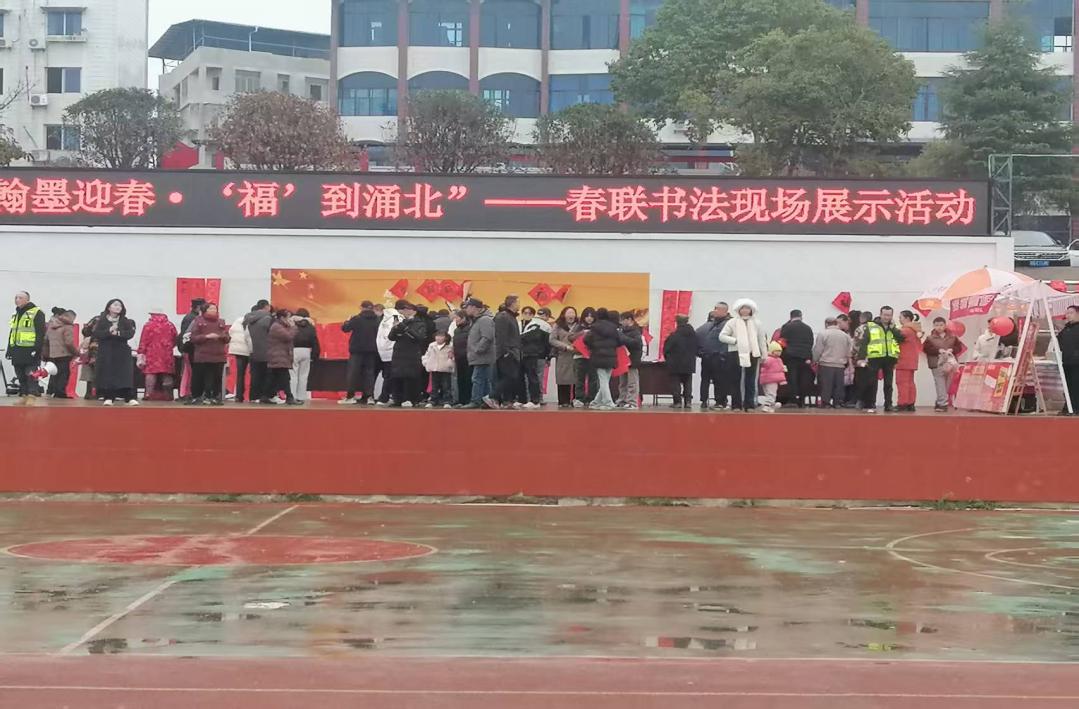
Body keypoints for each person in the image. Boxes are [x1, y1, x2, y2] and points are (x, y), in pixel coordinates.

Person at [719, 299, 768, 413]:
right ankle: (736, 405)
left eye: (747, 308)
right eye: (743, 308)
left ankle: (749, 405)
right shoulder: (732, 322)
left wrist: (764, 354)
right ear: (739, 310)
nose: (745, 310)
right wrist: (735, 341)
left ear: (751, 310)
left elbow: (761, 339)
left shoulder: (757, 323)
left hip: (752, 353)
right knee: (735, 379)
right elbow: (722, 336)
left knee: (750, 380)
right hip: (736, 352)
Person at [853, 306, 904, 414]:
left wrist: (893, 329)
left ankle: (888, 405)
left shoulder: (893, 327)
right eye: (885, 315)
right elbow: (864, 343)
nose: (887, 317)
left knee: (888, 384)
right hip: (874, 357)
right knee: (872, 383)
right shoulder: (872, 326)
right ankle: (871, 404)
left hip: (889, 358)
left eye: (889, 315)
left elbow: (900, 339)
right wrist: (861, 358)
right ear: (880, 314)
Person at [92, 299, 138, 405]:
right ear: (109, 307)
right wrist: (108, 331)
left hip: (122, 352)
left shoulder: (125, 321)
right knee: (108, 374)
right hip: (106, 351)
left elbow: (130, 333)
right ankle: (108, 397)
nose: (118, 307)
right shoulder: (102, 320)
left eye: (120, 306)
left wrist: (118, 333)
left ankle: (129, 397)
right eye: (115, 305)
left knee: (124, 375)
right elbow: (96, 333)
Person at [6, 291, 46, 405]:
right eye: (16, 297)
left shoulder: (36, 312)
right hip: (17, 349)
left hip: (30, 349)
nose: (17, 300)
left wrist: (37, 348)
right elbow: (13, 332)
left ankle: (32, 395)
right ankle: (24, 395)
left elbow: (40, 332)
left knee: (31, 373)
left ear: (27, 300)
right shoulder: (16, 314)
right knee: (20, 373)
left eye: (20, 298)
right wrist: (9, 349)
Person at [386, 300, 427, 407]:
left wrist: (405, 329)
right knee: (397, 376)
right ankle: (397, 399)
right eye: (403, 309)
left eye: (406, 309)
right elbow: (391, 337)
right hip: (399, 353)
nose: (404, 311)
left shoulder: (420, 323)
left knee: (410, 377)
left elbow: (419, 338)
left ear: (413, 311)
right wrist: (395, 328)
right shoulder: (401, 322)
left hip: (411, 354)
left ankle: (409, 398)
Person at [189, 302, 231, 405]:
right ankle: (199, 396)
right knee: (201, 377)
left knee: (217, 377)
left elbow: (227, 337)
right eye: (211, 309)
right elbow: (193, 338)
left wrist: (222, 336)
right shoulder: (198, 321)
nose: (213, 311)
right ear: (205, 310)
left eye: (215, 309)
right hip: (203, 355)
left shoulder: (221, 322)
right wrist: (206, 337)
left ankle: (215, 396)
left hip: (219, 355)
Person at [341, 301, 381, 405]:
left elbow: (345, 329)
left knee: (353, 374)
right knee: (369, 374)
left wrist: (347, 321)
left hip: (357, 350)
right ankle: (369, 397)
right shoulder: (377, 320)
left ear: (361, 307)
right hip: (372, 350)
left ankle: (350, 396)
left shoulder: (357, 318)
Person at [583, 307, 623, 411]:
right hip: (611, 357)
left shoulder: (594, 327)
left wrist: (592, 346)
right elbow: (620, 341)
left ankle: (608, 403)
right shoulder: (613, 327)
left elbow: (586, 339)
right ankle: (596, 402)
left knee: (603, 381)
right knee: (605, 381)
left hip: (598, 356)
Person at [487, 295, 523, 409]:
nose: (519, 305)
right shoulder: (503, 317)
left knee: (510, 377)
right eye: (518, 302)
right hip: (507, 352)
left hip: (513, 351)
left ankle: (507, 401)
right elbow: (501, 336)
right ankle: (492, 396)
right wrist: (505, 351)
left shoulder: (511, 317)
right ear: (512, 303)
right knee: (510, 376)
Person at [137, 307, 178, 402]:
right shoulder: (170, 325)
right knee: (167, 373)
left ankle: (148, 393)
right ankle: (169, 395)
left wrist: (141, 352)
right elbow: (175, 339)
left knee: (150, 373)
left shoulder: (148, 325)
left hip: (152, 353)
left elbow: (144, 340)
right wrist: (169, 347)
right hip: (167, 353)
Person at [922, 317, 962, 413]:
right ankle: (943, 404)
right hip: (936, 363)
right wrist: (938, 351)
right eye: (937, 325)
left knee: (947, 384)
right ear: (933, 326)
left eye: (941, 325)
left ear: (945, 325)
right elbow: (926, 349)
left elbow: (959, 347)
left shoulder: (953, 337)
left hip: (950, 364)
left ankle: (940, 401)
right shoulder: (930, 338)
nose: (939, 327)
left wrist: (952, 350)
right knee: (940, 383)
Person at [462, 298, 495, 409]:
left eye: (467, 307)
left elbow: (487, 337)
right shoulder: (477, 320)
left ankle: (476, 400)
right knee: (483, 379)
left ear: (474, 307)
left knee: (477, 378)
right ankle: (485, 400)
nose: (466, 309)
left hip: (482, 356)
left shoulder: (484, 320)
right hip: (480, 356)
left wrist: (478, 349)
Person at [697, 303, 731, 410]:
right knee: (718, 380)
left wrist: (700, 353)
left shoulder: (727, 325)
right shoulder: (717, 325)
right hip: (712, 356)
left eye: (717, 309)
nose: (715, 311)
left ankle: (713, 401)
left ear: (724, 311)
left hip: (715, 357)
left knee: (712, 380)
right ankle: (719, 401)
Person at [813, 317, 852, 409]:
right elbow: (848, 351)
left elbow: (818, 349)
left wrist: (815, 359)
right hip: (840, 365)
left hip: (826, 364)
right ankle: (837, 403)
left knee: (826, 385)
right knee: (838, 386)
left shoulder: (823, 334)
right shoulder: (845, 336)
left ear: (826, 324)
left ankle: (825, 403)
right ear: (836, 323)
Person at [779, 309, 814, 409]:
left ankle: (792, 400)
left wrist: (783, 355)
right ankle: (802, 400)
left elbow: (782, 341)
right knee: (803, 379)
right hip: (804, 357)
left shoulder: (787, 327)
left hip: (791, 356)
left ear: (791, 316)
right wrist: (808, 356)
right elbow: (811, 342)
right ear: (801, 316)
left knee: (792, 378)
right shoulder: (808, 328)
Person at [264, 309, 298, 405]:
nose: (290, 320)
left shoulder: (281, 326)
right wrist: (293, 327)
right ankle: (289, 397)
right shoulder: (276, 327)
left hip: (280, 356)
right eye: (288, 317)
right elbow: (288, 336)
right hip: (278, 356)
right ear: (282, 318)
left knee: (274, 378)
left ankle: (267, 396)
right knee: (285, 377)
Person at [663, 315, 697, 408]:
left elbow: (666, 349)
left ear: (677, 322)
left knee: (676, 383)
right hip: (689, 363)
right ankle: (688, 402)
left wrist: (668, 359)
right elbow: (697, 348)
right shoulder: (693, 335)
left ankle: (677, 402)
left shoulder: (674, 335)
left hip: (675, 363)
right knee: (688, 383)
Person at [520, 306, 551, 408]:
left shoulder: (539, 325)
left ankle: (533, 399)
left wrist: (548, 356)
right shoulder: (520, 324)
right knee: (533, 378)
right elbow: (548, 343)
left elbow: (548, 343)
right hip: (533, 355)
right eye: (525, 313)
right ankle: (533, 399)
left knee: (532, 378)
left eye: (529, 313)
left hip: (533, 355)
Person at [243, 300, 273, 404]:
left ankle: (253, 396)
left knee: (255, 375)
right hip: (266, 350)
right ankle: (264, 396)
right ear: (267, 307)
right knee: (267, 375)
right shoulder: (268, 318)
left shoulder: (247, 319)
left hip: (252, 350)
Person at [44, 308, 78, 399]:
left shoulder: (51, 325)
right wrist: (76, 352)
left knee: (55, 374)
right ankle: (60, 393)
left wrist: (46, 354)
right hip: (64, 354)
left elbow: (46, 340)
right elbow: (69, 342)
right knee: (64, 374)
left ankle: (53, 391)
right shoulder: (68, 326)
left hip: (52, 354)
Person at [549, 307, 579, 408]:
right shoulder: (558, 325)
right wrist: (565, 346)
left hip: (577, 355)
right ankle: (563, 401)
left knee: (576, 378)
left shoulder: (578, 326)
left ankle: (576, 399)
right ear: (564, 314)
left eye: (573, 313)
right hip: (563, 355)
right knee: (563, 378)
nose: (571, 315)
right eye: (569, 313)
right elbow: (552, 339)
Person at [178, 298, 207, 401]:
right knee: (190, 372)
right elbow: (185, 335)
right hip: (190, 349)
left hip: (191, 349)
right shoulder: (191, 318)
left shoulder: (192, 317)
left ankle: (187, 393)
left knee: (189, 372)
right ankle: (187, 393)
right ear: (198, 307)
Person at [290, 308, 321, 404]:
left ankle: (292, 395)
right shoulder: (311, 327)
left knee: (293, 375)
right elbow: (315, 342)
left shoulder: (292, 324)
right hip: (306, 351)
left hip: (294, 350)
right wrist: (315, 355)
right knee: (303, 375)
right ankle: (301, 396)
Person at [895, 310, 923, 412]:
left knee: (902, 382)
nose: (899, 319)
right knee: (910, 382)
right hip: (912, 360)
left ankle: (902, 403)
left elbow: (895, 336)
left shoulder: (906, 330)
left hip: (903, 360)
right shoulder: (914, 330)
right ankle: (910, 403)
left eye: (900, 317)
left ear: (907, 318)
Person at [571, 307, 599, 408]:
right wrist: (582, 333)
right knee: (579, 379)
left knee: (593, 379)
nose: (589, 318)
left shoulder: (597, 327)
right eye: (587, 316)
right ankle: (579, 398)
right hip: (579, 356)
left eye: (591, 316)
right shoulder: (578, 326)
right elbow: (570, 337)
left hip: (592, 356)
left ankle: (592, 398)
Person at [617, 311, 644, 410]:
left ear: (629, 319)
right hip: (623, 360)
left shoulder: (636, 331)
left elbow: (636, 343)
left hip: (633, 360)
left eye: (623, 320)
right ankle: (622, 400)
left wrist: (622, 337)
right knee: (623, 383)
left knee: (632, 382)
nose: (621, 322)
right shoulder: (622, 331)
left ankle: (632, 402)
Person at [375, 303, 400, 405]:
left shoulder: (389, 319)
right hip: (387, 351)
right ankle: (389, 396)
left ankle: (385, 397)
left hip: (388, 351)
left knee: (388, 375)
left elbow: (388, 336)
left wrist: (385, 348)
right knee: (389, 375)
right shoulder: (387, 319)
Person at [422, 330, 455, 408]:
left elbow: (452, 357)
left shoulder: (450, 346)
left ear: (446, 337)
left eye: (441, 336)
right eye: (437, 336)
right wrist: (426, 363)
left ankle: (447, 401)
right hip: (434, 368)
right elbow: (427, 355)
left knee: (446, 386)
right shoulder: (432, 345)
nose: (439, 338)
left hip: (445, 368)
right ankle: (433, 400)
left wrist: (450, 362)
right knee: (434, 386)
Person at [227, 310, 252, 403]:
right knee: (254, 373)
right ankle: (252, 396)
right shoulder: (252, 323)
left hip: (237, 351)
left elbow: (230, 333)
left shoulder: (237, 322)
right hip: (249, 350)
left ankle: (239, 396)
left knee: (240, 374)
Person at [1059, 305, 1079, 415]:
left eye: (1071, 313)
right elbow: (1059, 341)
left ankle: (1075, 408)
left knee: (1076, 385)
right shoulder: (1066, 328)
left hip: (1077, 362)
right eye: (1067, 313)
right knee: (1068, 386)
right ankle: (1068, 407)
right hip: (1067, 361)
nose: (1068, 315)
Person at [758, 341, 788, 413]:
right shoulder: (770, 359)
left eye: (780, 351)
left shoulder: (777, 360)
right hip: (771, 380)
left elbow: (780, 371)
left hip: (767, 379)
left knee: (769, 393)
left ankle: (771, 405)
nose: (779, 353)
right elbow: (780, 370)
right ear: (772, 351)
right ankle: (767, 405)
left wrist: (782, 380)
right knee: (771, 393)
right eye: (777, 351)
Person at [451, 309, 472, 406]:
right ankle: (461, 400)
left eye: (457, 318)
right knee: (460, 379)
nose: (456, 320)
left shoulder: (470, 328)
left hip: (467, 357)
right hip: (458, 357)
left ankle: (468, 399)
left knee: (468, 379)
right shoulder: (456, 330)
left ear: (463, 318)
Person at [79, 314, 100, 400]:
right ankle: (94, 394)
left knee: (89, 374)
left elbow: (84, 331)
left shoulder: (94, 320)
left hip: (88, 352)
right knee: (96, 373)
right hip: (97, 351)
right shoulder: (102, 320)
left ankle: (88, 393)